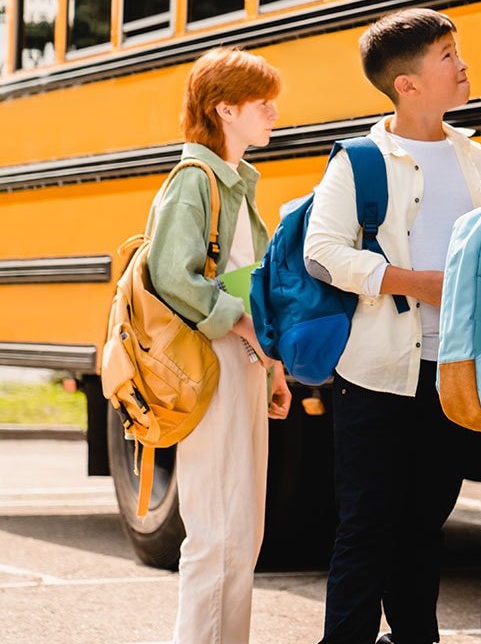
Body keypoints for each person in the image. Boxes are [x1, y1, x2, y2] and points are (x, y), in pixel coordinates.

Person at [304, 7, 481, 644]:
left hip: (450, 372)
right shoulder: (362, 161)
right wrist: (416, 283)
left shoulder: (479, 163)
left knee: (425, 525)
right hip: (374, 374)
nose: (463, 64)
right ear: (407, 84)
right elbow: (323, 251)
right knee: (367, 525)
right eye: (448, 56)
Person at [148, 46, 294, 644]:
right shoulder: (196, 182)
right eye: (264, 104)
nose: (275, 114)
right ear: (224, 108)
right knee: (219, 530)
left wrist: (270, 365)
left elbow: (235, 280)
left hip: (236, 367)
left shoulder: (228, 184)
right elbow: (174, 276)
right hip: (208, 369)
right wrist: (246, 329)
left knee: (240, 530)